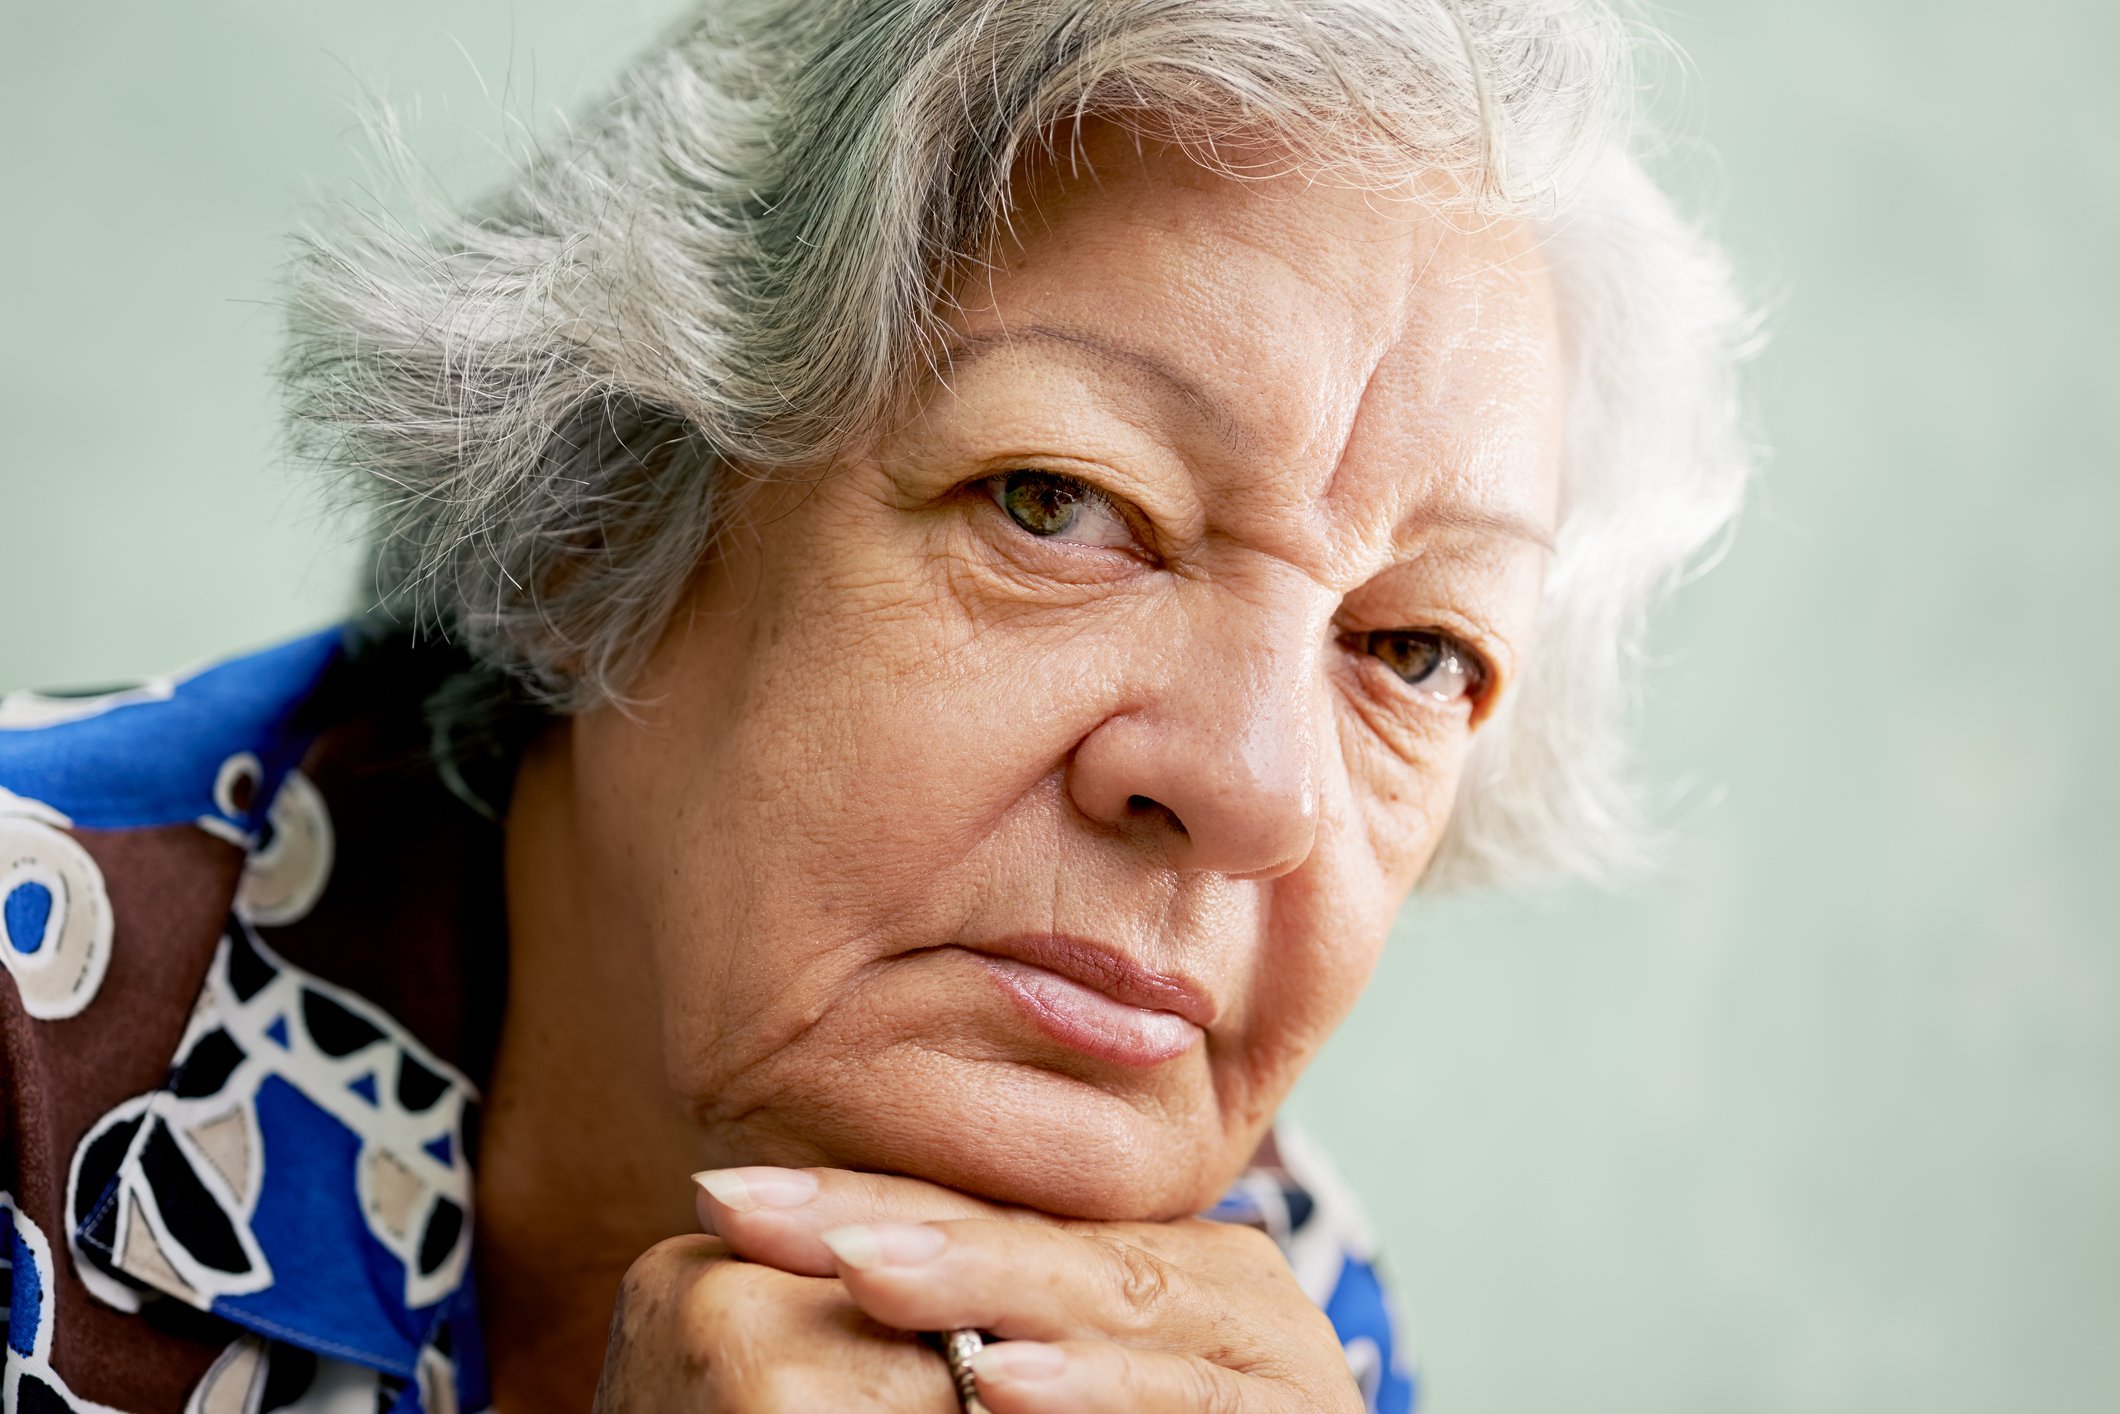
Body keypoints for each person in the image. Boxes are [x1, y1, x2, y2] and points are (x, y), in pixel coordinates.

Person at [0, 1, 1753, 1409]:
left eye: (1416, 650)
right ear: (608, 498)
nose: (1253, 784)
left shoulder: (1265, 1316)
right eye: (1059, 501)